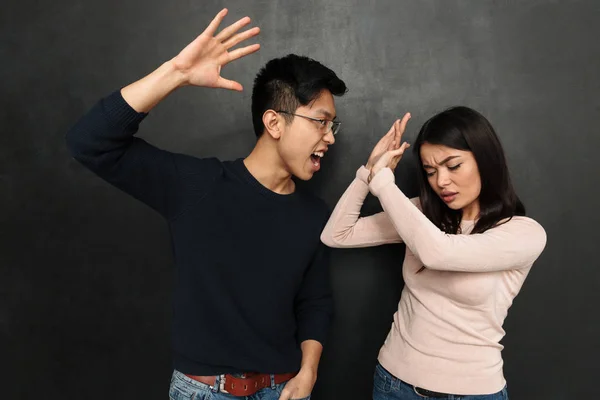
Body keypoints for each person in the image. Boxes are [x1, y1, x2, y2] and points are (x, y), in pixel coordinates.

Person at [66, 8, 347, 400]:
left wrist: (309, 373)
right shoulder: (197, 186)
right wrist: (176, 73)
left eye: (333, 125)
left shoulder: (314, 214)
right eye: (321, 121)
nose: (330, 137)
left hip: (283, 389)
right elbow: (89, 142)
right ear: (275, 123)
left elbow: (315, 302)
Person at [321, 108, 547, 399]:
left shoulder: (523, 233)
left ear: (486, 160)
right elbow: (337, 234)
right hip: (394, 384)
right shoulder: (421, 215)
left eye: (453, 166)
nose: (441, 182)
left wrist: (384, 184)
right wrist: (368, 171)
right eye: (430, 171)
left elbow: (438, 253)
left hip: (473, 393)